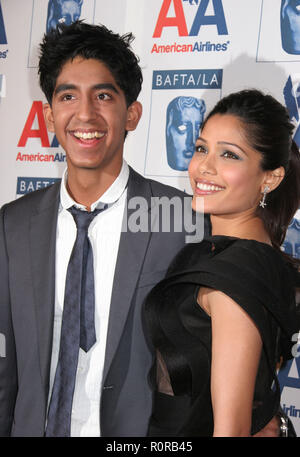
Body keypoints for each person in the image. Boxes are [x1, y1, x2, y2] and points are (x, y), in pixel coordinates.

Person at [0, 22, 284, 437]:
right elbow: (6, 370)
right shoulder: (13, 225)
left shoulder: (185, 220)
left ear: (132, 114)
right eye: (67, 96)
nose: (84, 114)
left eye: (103, 96)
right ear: (48, 114)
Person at [144, 89, 300, 437]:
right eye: (202, 148)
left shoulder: (233, 275)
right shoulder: (237, 256)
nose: (204, 167)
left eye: (229, 154)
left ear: (270, 178)